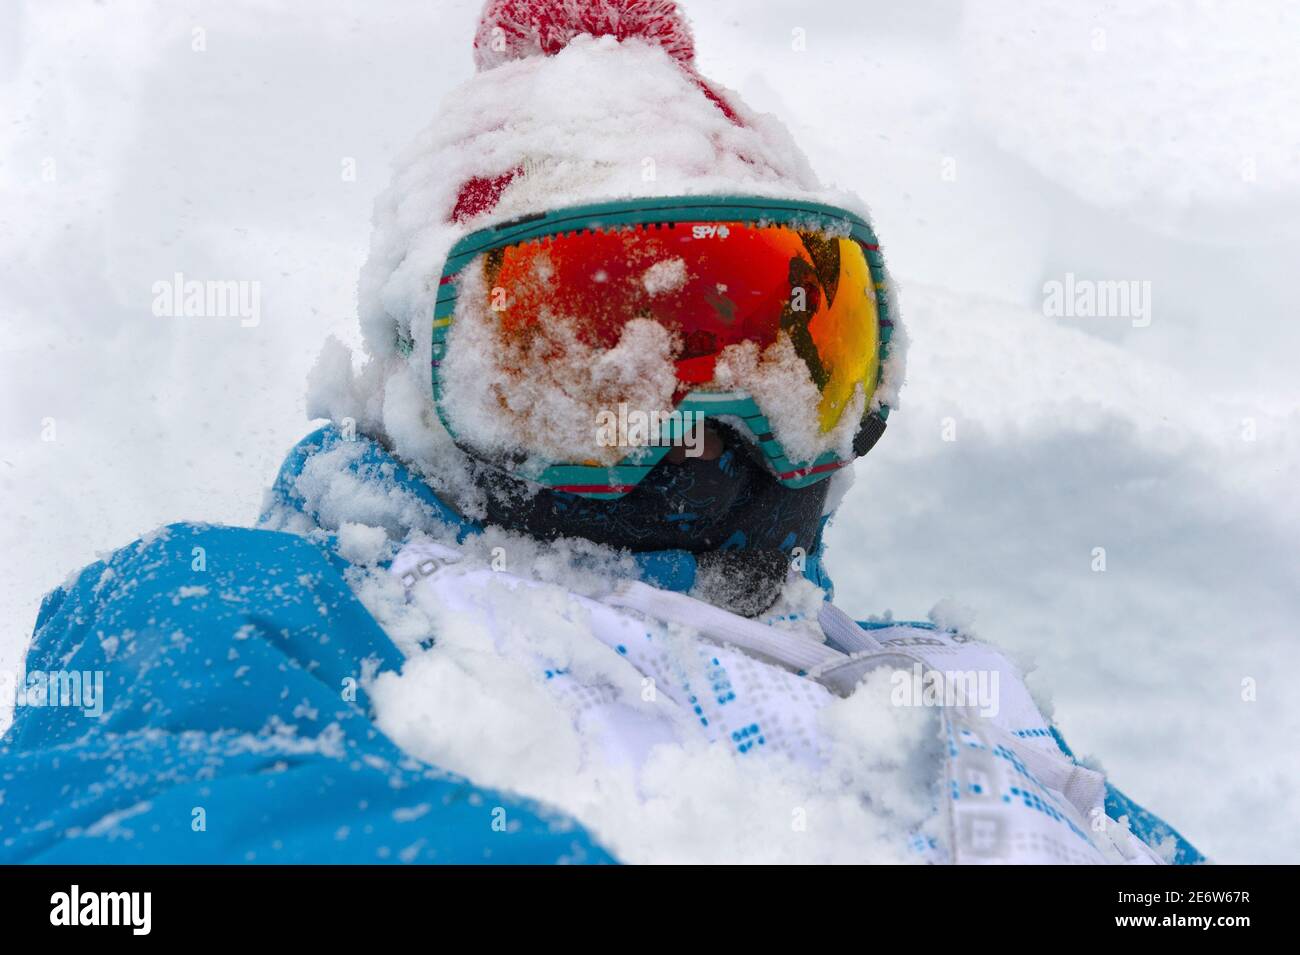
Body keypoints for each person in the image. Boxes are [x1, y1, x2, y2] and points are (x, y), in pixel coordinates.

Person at [0, 0, 1202, 865]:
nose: (699, 431)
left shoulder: (935, 687)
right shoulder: (250, 602)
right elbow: (102, 836)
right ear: (429, 384)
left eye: (764, 359)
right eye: (581, 356)